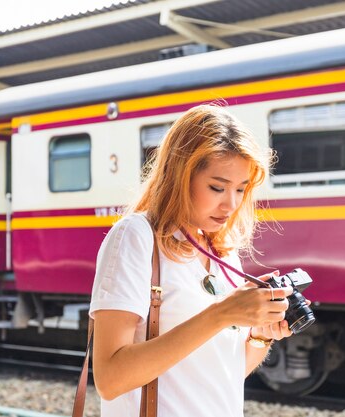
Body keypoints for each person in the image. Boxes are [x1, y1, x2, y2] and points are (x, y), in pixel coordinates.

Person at [89, 104, 298, 417]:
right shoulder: (136, 236)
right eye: (217, 187)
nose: (231, 204)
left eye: (241, 189)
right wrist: (220, 315)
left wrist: (260, 335)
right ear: (179, 176)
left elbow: (221, 373)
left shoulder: (222, 251)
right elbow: (110, 378)